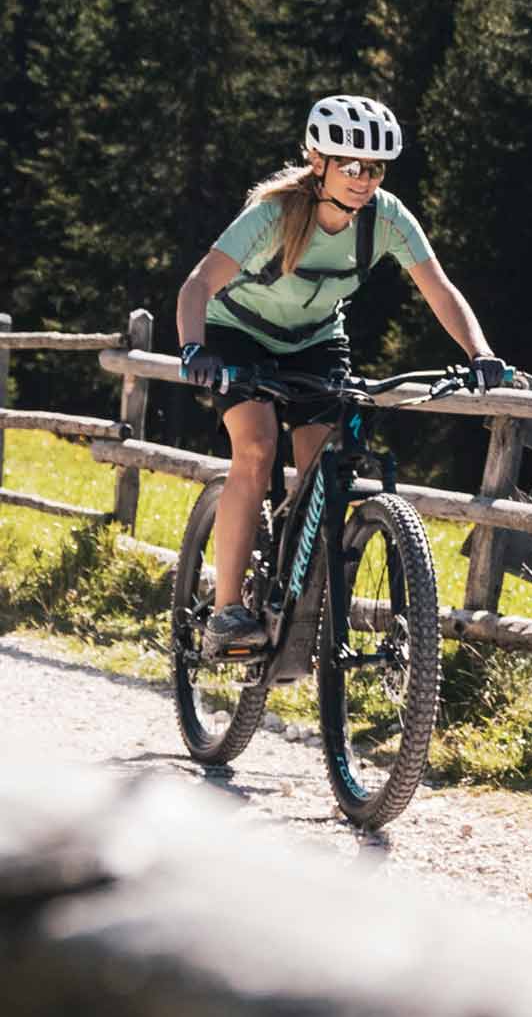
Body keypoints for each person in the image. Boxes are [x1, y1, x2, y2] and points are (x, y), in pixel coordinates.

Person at [174, 95, 505, 651]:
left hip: (316, 343)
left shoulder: (387, 219)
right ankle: (228, 609)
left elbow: (439, 290)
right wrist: (193, 351)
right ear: (317, 160)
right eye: (349, 166)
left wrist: (480, 352)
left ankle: (302, 600)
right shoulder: (274, 215)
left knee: (324, 473)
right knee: (256, 447)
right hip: (239, 335)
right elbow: (197, 285)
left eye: (373, 168)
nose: (362, 179)